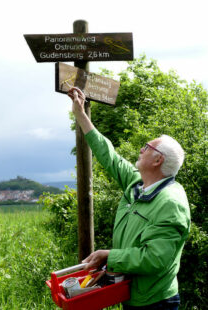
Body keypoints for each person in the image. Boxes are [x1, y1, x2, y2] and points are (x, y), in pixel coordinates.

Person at [68, 87, 191, 310]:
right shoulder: (137, 183)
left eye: (147, 147)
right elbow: (109, 155)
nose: (141, 149)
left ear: (158, 160)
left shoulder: (171, 203)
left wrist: (110, 256)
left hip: (156, 302)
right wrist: (80, 114)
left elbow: (155, 258)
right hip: (131, 296)